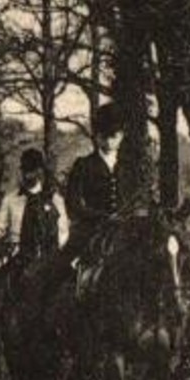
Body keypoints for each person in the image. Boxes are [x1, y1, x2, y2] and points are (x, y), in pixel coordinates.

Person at [0, 148, 69, 353]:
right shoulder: (11, 199)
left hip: (47, 255)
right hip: (18, 253)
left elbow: (64, 233)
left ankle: (69, 335)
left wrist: (55, 253)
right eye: (25, 170)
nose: (28, 175)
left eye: (33, 170)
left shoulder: (54, 200)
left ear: (40, 172)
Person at [63, 102, 124, 297]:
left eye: (113, 136)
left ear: (121, 136)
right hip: (90, 230)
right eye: (103, 136)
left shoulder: (128, 167)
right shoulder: (83, 165)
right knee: (62, 266)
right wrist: (101, 216)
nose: (108, 141)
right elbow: (72, 204)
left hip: (124, 229)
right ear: (96, 137)